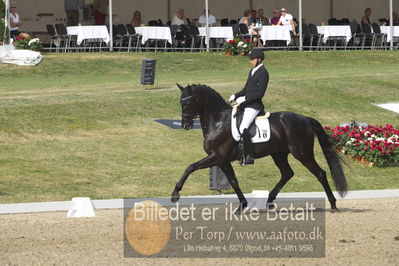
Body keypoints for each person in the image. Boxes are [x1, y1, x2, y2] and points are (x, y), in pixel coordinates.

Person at [229, 48, 269, 165]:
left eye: (252, 59)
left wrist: (245, 99)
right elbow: (246, 89)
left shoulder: (263, 73)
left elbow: (260, 93)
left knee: (243, 128)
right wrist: (235, 95)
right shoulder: (252, 71)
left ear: (259, 59)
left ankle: (248, 156)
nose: (250, 61)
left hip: (254, 106)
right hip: (246, 104)